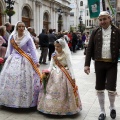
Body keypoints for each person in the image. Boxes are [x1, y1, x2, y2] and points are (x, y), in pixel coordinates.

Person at [84, 11, 120, 120]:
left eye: (104, 19)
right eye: (100, 20)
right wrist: (87, 64)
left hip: (111, 64)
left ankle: (112, 107)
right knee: (99, 88)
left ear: (109, 19)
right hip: (99, 63)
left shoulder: (117, 31)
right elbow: (89, 49)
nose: (102, 22)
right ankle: (102, 111)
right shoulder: (95, 32)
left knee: (111, 88)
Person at [0, 21, 41, 108]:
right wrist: (7, 59)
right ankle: (9, 100)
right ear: (17, 28)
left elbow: (32, 50)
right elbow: (10, 49)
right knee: (10, 78)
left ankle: (24, 101)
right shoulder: (12, 36)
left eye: (23, 26)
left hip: (25, 59)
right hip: (13, 59)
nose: (21, 28)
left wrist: (36, 61)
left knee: (24, 79)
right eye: (19, 26)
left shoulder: (27, 38)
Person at [37, 38, 82, 115]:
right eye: (55, 46)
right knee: (50, 89)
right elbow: (51, 65)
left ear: (62, 47)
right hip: (54, 73)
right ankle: (50, 107)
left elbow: (70, 66)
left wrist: (73, 77)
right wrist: (47, 72)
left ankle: (65, 109)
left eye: (58, 46)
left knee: (65, 91)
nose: (56, 48)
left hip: (64, 74)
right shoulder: (53, 54)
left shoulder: (66, 54)